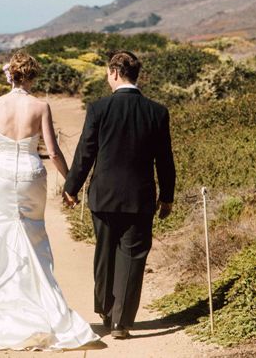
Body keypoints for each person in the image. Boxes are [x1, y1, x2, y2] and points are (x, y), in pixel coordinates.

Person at [0, 51, 98, 350]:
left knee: (2, 240)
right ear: (31, 75)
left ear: (10, 74)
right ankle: (42, 307)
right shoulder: (41, 106)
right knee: (34, 237)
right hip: (32, 174)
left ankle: (3, 307)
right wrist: (71, 182)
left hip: (3, 175)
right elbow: (54, 151)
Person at [63, 50, 176, 340]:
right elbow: (165, 159)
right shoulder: (157, 111)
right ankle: (122, 322)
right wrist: (167, 196)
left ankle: (105, 309)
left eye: (106, 73)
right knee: (134, 255)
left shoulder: (99, 108)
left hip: (104, 195)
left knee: (104, 252)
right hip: (140, 196)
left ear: (114, 73)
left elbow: (85, 152)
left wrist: (71, 188)